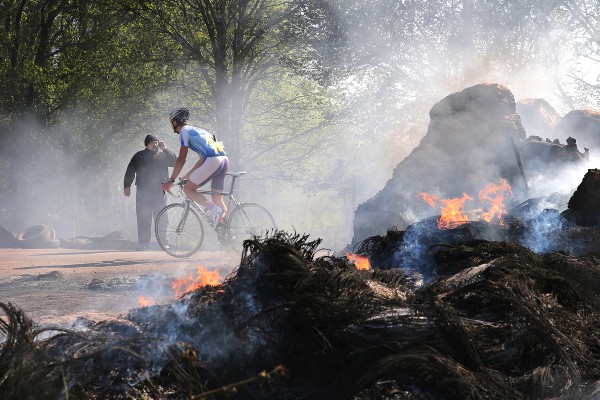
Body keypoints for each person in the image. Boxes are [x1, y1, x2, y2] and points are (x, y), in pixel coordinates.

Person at [161, 107, 229, 224]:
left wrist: (171, 180)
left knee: (188, 189)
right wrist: (187, 176)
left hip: (213, 160)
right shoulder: (201, 130)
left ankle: (214, 209)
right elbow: (202, 159)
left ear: (175, 122)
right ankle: (226, 231)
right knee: (218, 200)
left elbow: (181, 159)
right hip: (224, 160)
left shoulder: (184, 132)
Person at [124, 134, 177, 250]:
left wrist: (165, 149)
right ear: (147, 144)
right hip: (143, 191)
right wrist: (127, 186)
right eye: (153, 143)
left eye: (157, 142)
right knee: (143, 217)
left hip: (160, 191)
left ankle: (163, 243)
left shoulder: (163, 154)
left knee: (162, 217)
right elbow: (130, 170)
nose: (155, 144)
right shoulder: (139, 155)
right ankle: (144, 244)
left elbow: (175, 162)